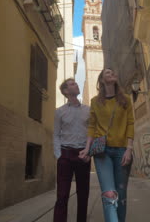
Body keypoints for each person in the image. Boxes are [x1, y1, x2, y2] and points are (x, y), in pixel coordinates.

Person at [79, 68, 134, 222]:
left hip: (122, 150)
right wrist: (87, 148)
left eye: (113, 72)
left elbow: (130, 123)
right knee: (109, 194)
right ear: (102, 80)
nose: (112, 74)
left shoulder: (126, 100)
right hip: (102, 152)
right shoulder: (95, 102)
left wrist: (129, 149)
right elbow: (92, 126)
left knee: (121, 195)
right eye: (108, 73)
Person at [53, 78, 91, 222]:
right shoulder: (59, 112)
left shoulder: (88, 110)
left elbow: (92, 134)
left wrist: (89, 152)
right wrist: (59, 155)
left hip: (83, 155)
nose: (76, 84)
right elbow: (56, 134)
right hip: (65, 155)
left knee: (83, 195)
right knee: (62, 196)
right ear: (66, 91)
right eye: (72, 84)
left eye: (76, 83)